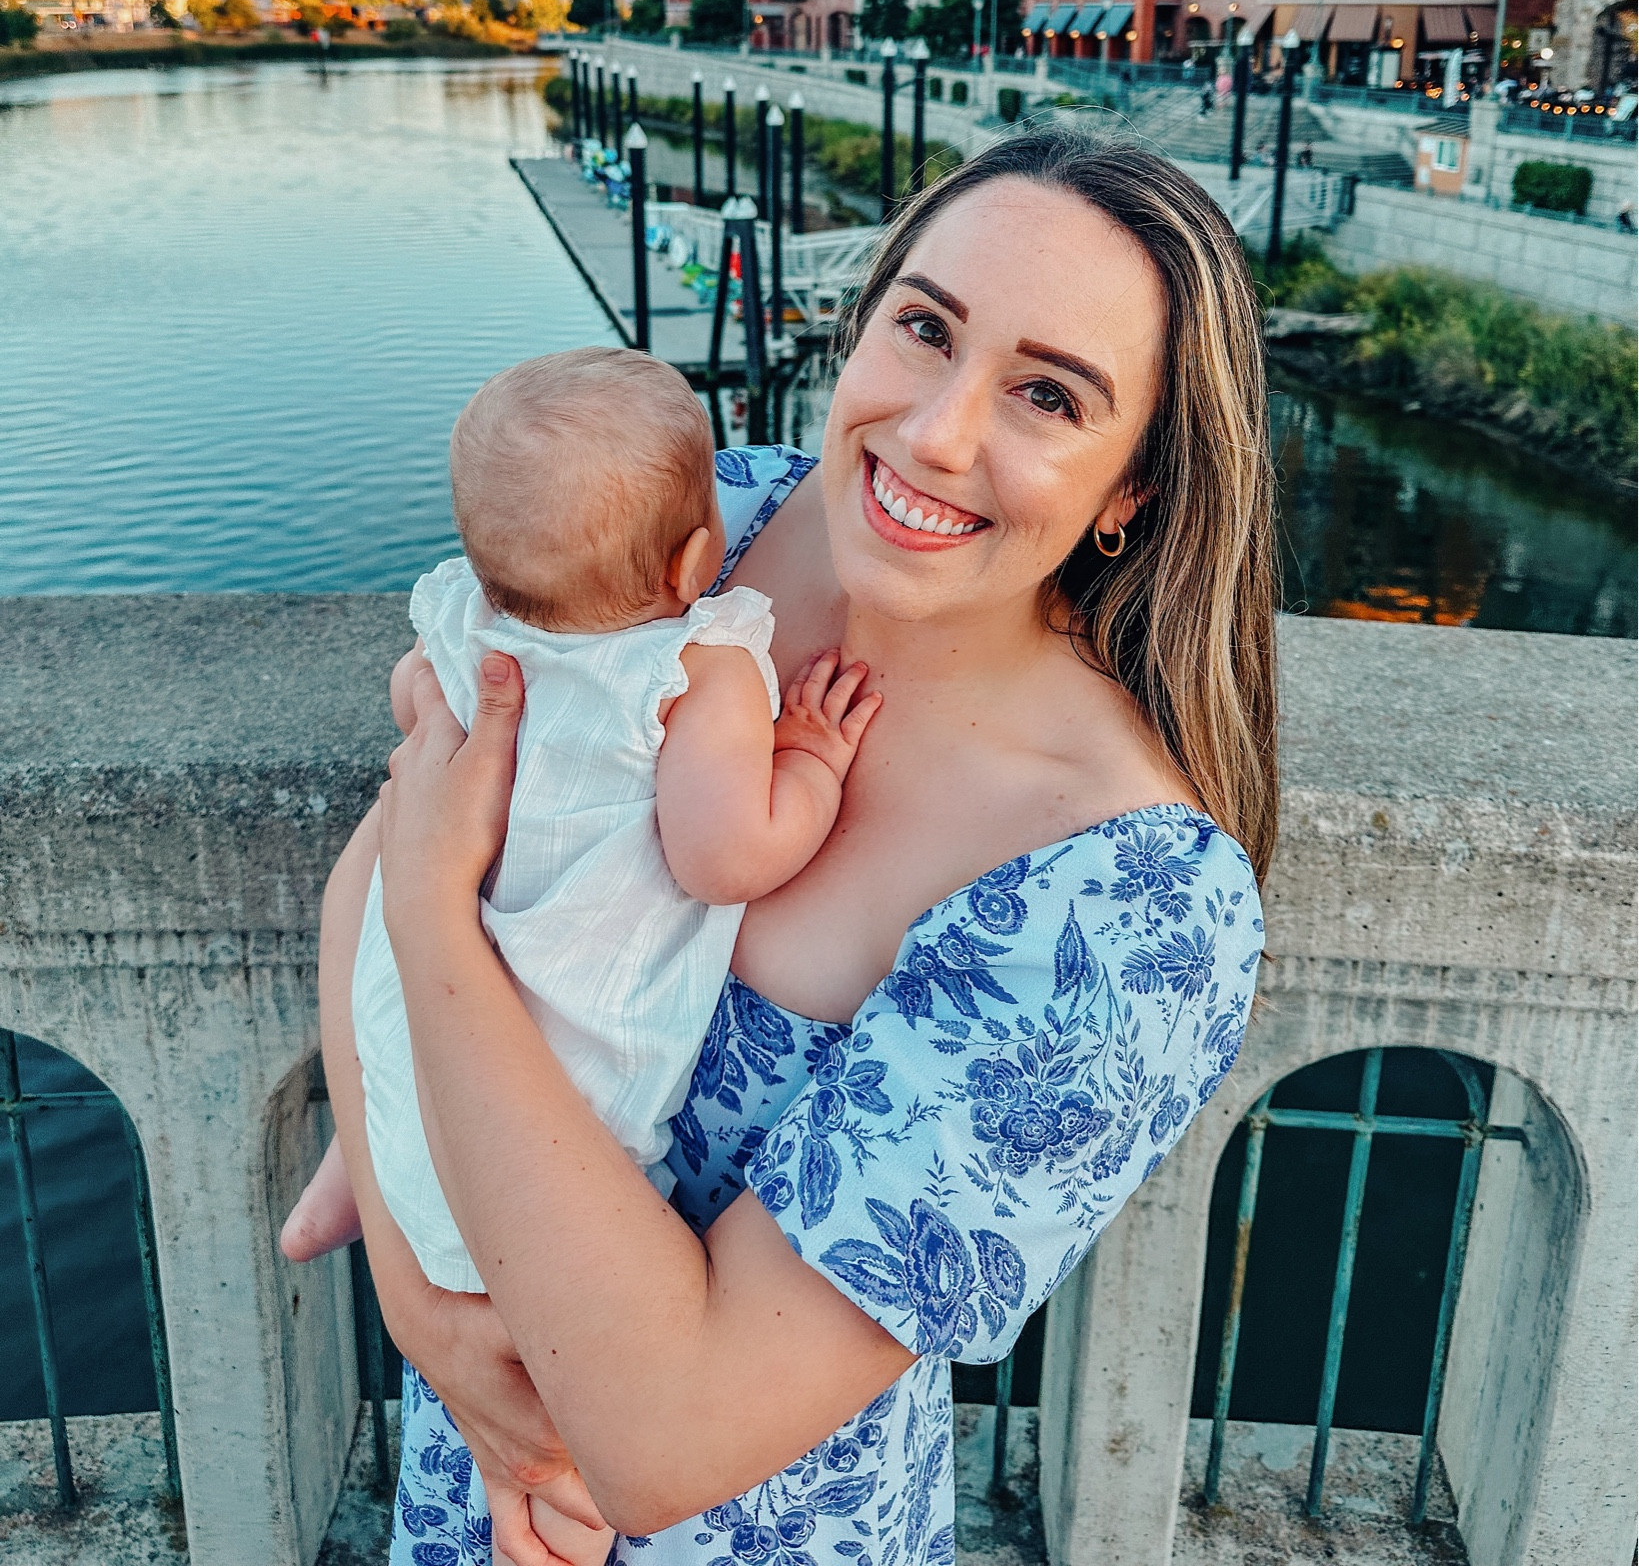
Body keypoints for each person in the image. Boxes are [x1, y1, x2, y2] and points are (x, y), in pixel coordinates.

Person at [312, 132, 1279, 1566]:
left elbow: (663, 1438)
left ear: (1134, 486)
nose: (934, 435)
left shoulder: (1123, 905)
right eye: (924, 326)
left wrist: (438, 922)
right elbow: (376, 867)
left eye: (1044, 394)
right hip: (485, 1473)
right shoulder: (715, 529)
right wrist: (418, 1305)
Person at [284, 348, 879, 1306]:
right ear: (694, 561)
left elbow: (413, 699)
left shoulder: (465, 619)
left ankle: (341, 1191)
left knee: (397, 1061)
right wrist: (806, 760)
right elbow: (725, 858)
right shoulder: (694, 670)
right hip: (568, 1053)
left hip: (429, 992)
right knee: (572, 1198)